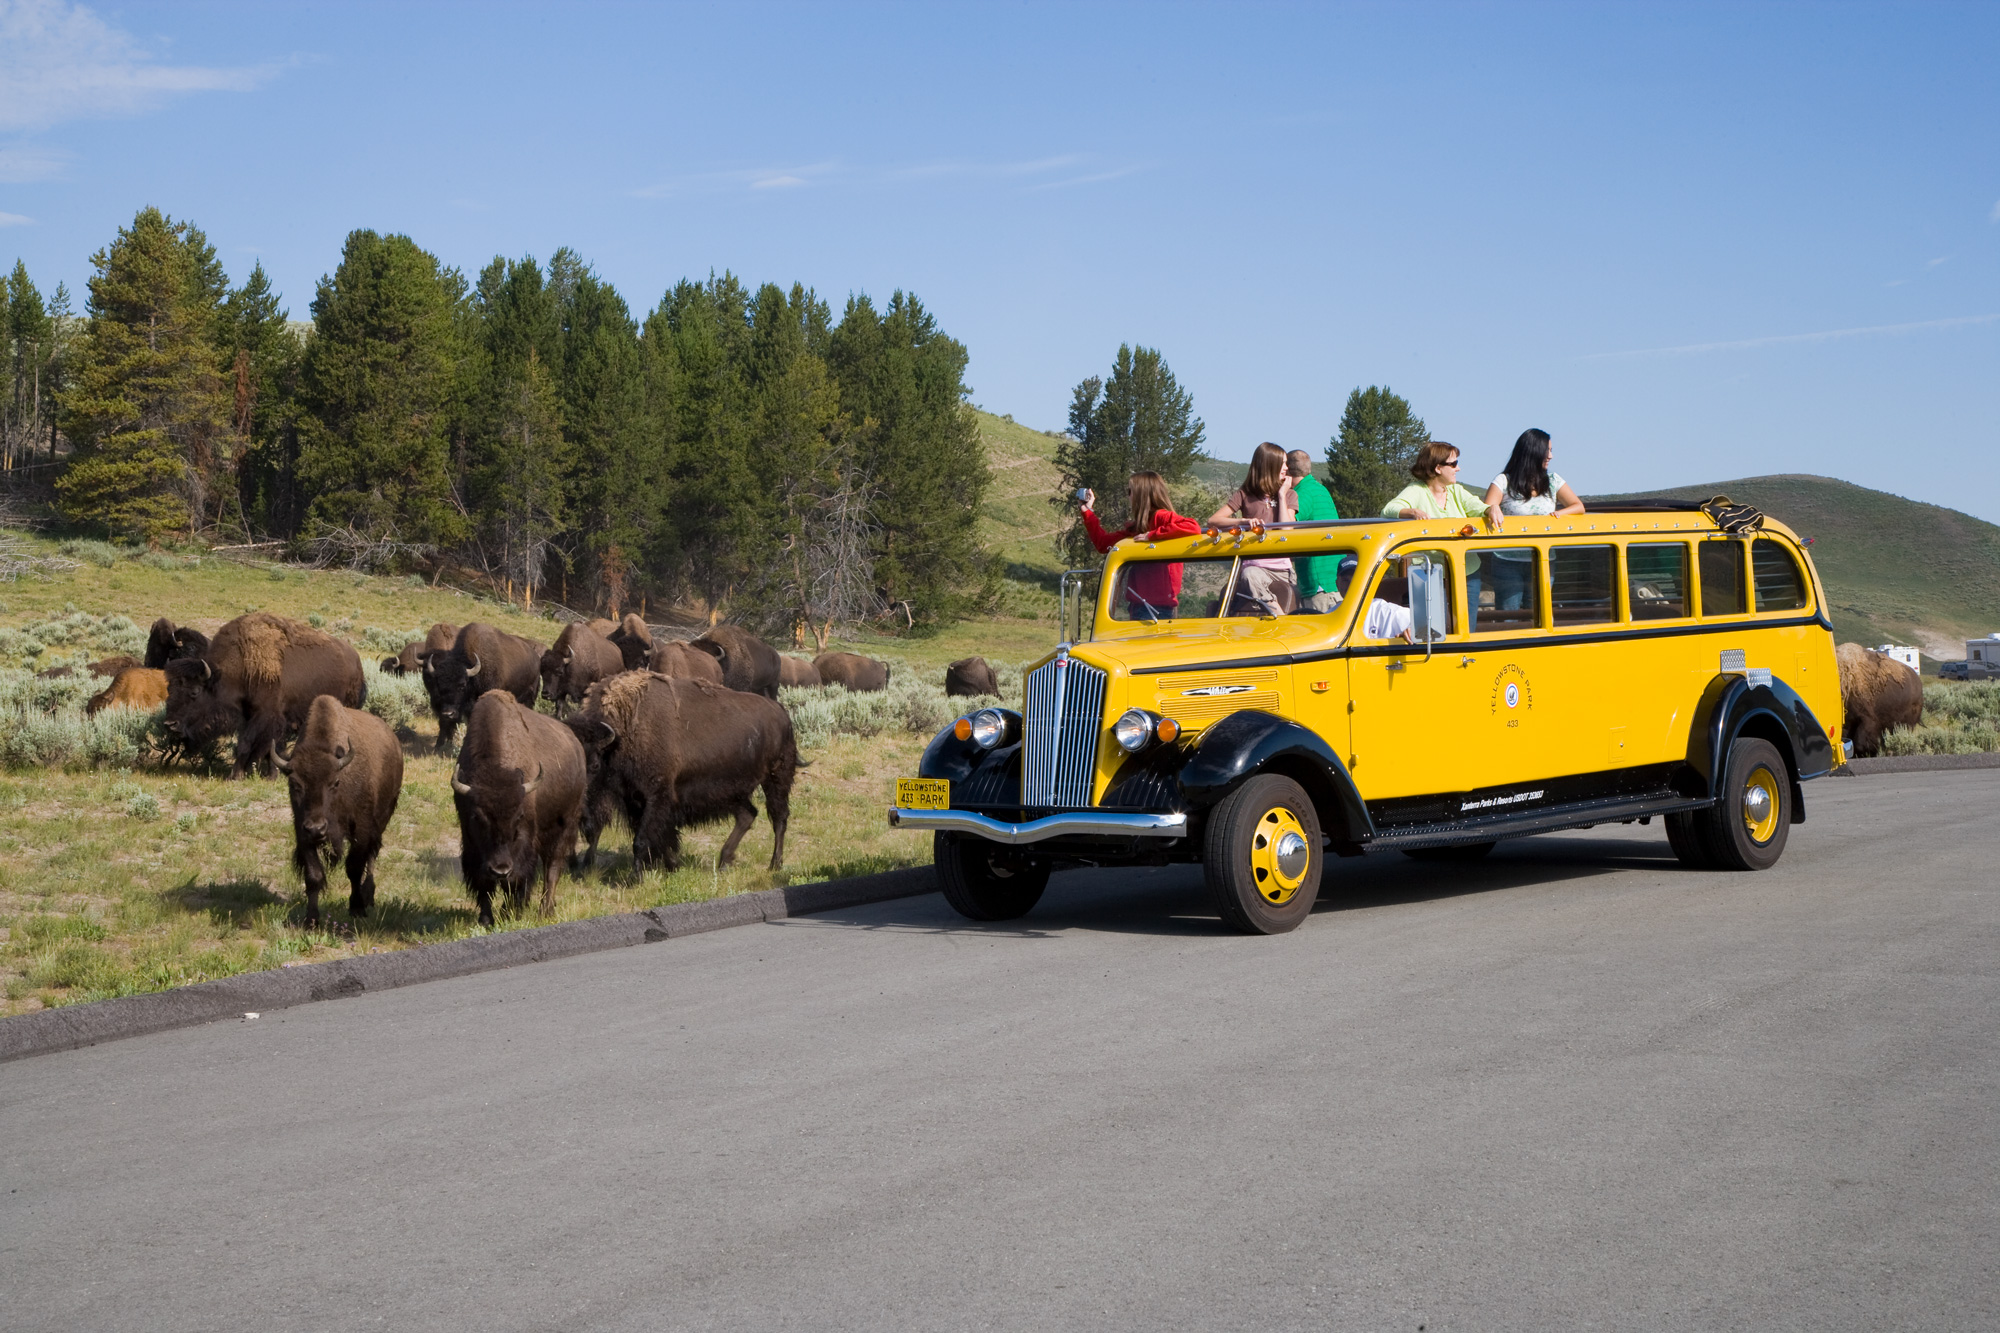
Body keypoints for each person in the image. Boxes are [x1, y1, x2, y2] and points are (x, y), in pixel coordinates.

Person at [1380, 441, 1497, 620]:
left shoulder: (1457, 491)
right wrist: (1412, 511)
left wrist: (1492, 509)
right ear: (1438, 468)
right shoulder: (1416, 491)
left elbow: (1478, 507)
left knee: (1467, 626)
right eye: (1454, 464)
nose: (1458, 469)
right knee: (1433, 628)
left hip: (1468, 571)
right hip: (1429, 573)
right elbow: (1388, 510)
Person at [1481, 428, 1584, 611]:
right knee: (1508, 617)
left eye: (1552, 450)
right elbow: (1484, 509)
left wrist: (1560, 514)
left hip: (1543, 560)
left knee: (1538, 615)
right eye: (1548, 450)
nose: (1551, 456)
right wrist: (1492, 508)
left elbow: (1578, 506)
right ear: (1532, 451)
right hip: (1507, 561)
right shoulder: (1504, 481)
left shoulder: (1553, 480)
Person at [1080, 470, 1201, 620]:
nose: (1128, 496)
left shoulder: (1160, 516)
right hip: (1139, 607)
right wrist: (1087, 511)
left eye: (1130, 491)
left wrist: (1151, 535)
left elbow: (1193, 527)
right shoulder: (1137, 528)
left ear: (1140, 494)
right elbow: (1103, 544)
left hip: (1156, 610)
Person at [1208, 442, 1299, 615]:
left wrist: (1281, 495)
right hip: (1252, 567)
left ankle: (1279, 618)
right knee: (1247, 576)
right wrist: (1243, 521)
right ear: (1269, 465)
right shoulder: (1245, 493)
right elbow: (1213, 520)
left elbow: (1286, 531)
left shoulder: (1289, 494)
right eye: (1283, 463)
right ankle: (1275, 614)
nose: (1287, 468)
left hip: (1281, 569)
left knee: (1250, 575)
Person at [1285, 449, 1342, 612]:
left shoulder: (1302, 494)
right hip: (1332, 581)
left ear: (1288, 470)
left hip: (1319, 586)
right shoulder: (1320, 490)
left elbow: (1286, 524)